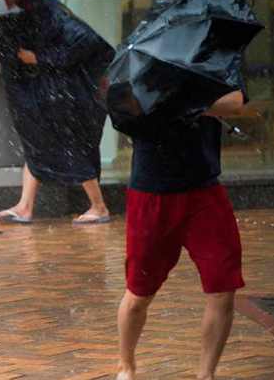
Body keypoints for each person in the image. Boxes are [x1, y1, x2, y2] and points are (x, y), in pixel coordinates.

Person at [116, 89, 247, 380]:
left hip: (204, 188)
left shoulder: (209, 61)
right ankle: (126, 365)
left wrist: (181, 99)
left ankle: (206, 374)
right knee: (139, 291)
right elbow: (123, 112)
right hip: (152, 191)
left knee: (223, 287)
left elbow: (235, 102)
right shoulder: (144, 63)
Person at [0, 0, 115, 224]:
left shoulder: (52, 16)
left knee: (70, 146)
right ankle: (25, 206)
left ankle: (99, 206)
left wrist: (39, 58)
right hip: (47, 96)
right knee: (35, 143)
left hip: (61, 99)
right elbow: (5, 33)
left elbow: (86, 42)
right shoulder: (36, 16)